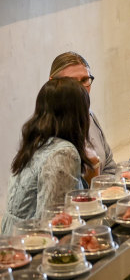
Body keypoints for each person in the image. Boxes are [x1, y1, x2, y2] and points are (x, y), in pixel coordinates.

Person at [1, 78, 93, 234]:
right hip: (31, 246)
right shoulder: (63, 153)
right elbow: (53, 222)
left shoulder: (37, 142)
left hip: (13, 239)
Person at [49, 52, 116, 180]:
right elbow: (62, 195)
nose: (80, 89)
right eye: (71, 82)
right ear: (53, 84)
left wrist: (108, 191)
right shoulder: (48, 127)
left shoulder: (89, 115)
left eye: (85, 80)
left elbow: (109, 166)